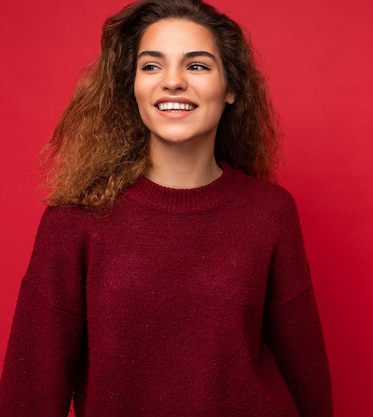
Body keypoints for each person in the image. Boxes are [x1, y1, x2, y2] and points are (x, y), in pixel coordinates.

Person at [0, 0, 333, 416]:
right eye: (152, 66)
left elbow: (308, 378)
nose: (172, 82)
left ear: (230, 88)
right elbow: (29, 391)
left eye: (196, 66)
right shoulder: (75, 219)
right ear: (132, 87)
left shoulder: (270, 212)